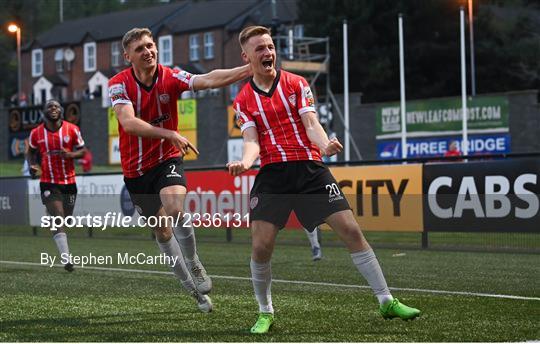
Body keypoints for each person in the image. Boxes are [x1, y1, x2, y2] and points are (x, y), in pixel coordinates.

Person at [227, 26, 421, 334]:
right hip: (273, 175)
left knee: (351, 230)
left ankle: (386, 300)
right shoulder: (243, 99)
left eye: (270, 46)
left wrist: (324, 144)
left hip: (309, 169)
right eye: (260, 49)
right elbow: (251, 140)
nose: (268, 53)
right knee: (261, 245)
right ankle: (265, 311)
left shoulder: (296, 83)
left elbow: (311, 122)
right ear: (246, 56)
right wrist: (245, 162)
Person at [108, 27, 251, 313]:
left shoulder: (170, 76)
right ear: (128, 57)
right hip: (136, 171)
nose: (148, 51)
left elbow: (209, 79)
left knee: (174, 209)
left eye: (150, 46)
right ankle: (192, 290)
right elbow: (128, 123)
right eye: (140, 49)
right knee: (162, 232)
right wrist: (169, 133)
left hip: (166, 160)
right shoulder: (118, 83)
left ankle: (195, 262)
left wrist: (249, 68)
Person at [26, 99, 87, 272]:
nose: (53, 108)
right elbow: (30, 151)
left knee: (65, 219)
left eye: (56, 106)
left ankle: (52, 217)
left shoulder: (72, 129)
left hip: (69, 181)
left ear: (61, 110)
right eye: (49, 106)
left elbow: (83, 150)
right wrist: (32, 165)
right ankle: (67, 259)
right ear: (43, 111)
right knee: (58, 217)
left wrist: (71, 154)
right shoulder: (36, 133)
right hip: (48, 181)